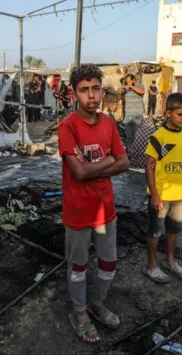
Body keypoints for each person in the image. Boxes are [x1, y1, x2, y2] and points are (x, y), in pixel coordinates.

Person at [58, 64, 130, 343]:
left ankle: (96, 304)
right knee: (78, 267)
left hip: (106, 210)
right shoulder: (68, 127)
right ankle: (78, 312)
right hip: (78, 211)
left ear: (102, 89)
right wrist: (108, 160)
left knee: (108, 263)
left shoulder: (109, 124)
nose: (91, 95)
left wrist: (95, 166)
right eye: (84, 90)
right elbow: (79, 172)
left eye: (96, 88)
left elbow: (124, 162)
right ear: (74, 93)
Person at [143, 93, 182, 283]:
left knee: (173, 229)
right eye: (180, 114)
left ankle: (170, 261)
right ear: (168, 112)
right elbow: (149, 165)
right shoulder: (158, 137)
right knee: (155, 231)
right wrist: (154, 194)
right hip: (161, 195)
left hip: (178, 194)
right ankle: (152, 266)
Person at [121, 74, 145, 150]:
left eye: (129, 81)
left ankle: (137, 152)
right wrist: (119, 92)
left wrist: (131, 87)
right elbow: (119, 98)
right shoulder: (125, 88)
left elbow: (142, 92)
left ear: (134, 80)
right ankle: (130, 152)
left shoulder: (140, 85)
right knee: (128, 136)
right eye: (127, 82)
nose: (128, 83)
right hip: (128, 115)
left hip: (137, 115)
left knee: (137, 136)